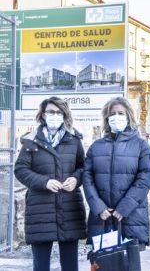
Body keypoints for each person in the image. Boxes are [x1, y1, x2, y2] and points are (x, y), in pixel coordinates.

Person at [14, 96, 86, 271]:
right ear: (43, 114)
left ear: (64, 115)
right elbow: (20, 169)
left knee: (70, 265)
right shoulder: (31, 141)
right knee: (41, 265)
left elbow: (84, 167)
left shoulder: (74, 139)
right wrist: (44, 182)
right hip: (40, 208)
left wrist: (76, 178)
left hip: (69, 208)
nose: (54, 115)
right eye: (50, 112)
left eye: (58, 112)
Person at [83, 96, 150, 271]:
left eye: (120, 113)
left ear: (128, 116)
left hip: (130, 217)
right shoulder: (96, 147)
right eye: (112, 114)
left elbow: (144, 178)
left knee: (130, 266)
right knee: (103, 266)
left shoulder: (141, 146)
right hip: (102, 218)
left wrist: (124, 207)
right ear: (107, 119)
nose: (116, 116)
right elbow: (87, 178)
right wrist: (98, 207)